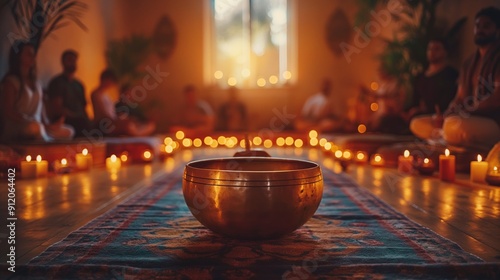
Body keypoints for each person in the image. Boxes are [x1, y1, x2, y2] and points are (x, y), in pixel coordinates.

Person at [411, 7, 500, 149]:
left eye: (486, 26)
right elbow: (459, 97)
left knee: (454, 125)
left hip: (492, 121)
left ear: (497, 30)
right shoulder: (469, 62)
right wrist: (445, 115)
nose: (480, 30)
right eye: (477, 26)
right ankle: (446, 138)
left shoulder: (497, 57)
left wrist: (467, 111)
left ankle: (443, 139)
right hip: (465, 118)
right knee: (418, 123)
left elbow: (496, 98)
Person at [0, 42, 74, 142]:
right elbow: (8, 111)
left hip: (38, 125)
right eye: (29, 54)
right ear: (18, 56)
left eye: (33, 54)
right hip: (20, 125)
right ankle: (47, 143)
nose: (33, 57)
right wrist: (28, 120)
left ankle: (47, 138)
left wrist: (48, 124)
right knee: (35, 127)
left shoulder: (36, 83)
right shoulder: (11, 82)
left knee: (69, 131)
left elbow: (41, 107)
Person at [91, 69, 155, 136]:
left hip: (112, 120)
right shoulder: (96, 94)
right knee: (128, 125)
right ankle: (139, 135)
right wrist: (118, 120)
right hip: (104, 124)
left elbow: (111, 112)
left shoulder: (105, 95)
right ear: (105, 79)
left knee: (140, 123)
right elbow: (104, 114)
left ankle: (140, 133)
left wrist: (121, 118)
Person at [407, 39, 459, 119]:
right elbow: (415, 101)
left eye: (437, 49)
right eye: (430, 49)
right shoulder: (420, 77)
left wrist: (426, 109)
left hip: (441, 117)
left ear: (445, 52)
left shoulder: (451, 74)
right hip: (418, 117)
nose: (432, 52)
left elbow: (450, 101)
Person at [46, 50, 91, 137]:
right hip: (64, 120)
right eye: (69, 60)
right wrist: (73, 115)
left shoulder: (79, 84)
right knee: (83, 124)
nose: (72, 63)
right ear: (63, 62)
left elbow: (83, 106)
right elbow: (57, 108)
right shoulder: (57, 82)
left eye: (74, 61)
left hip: (81, 119)